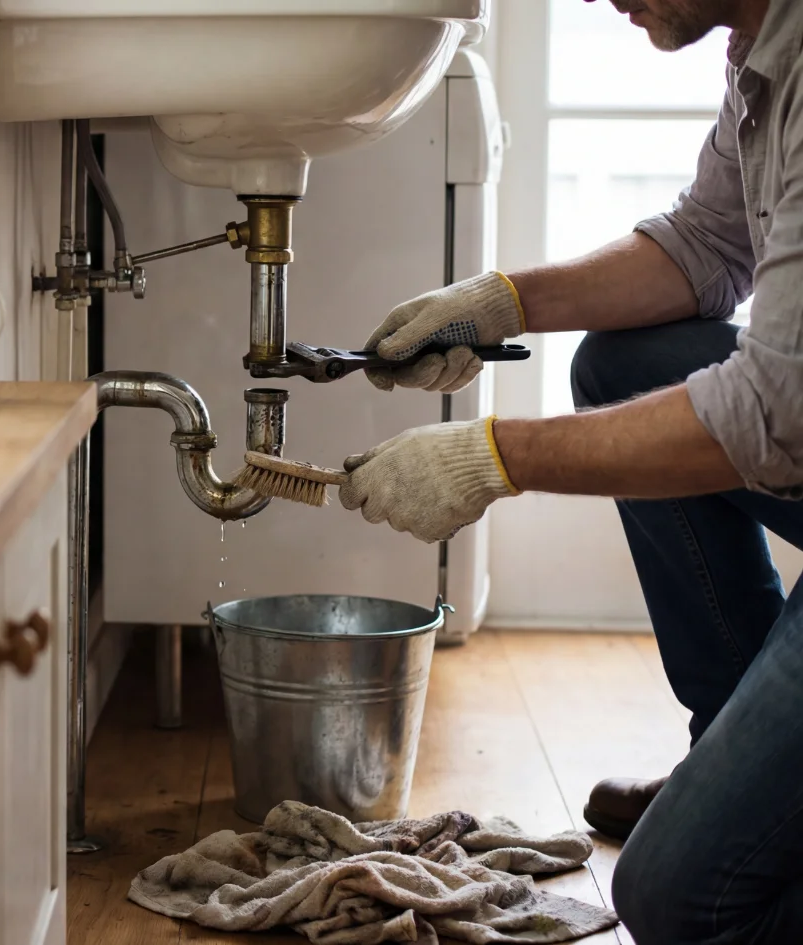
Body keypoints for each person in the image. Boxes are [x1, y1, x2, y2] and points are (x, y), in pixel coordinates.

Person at [344, 0, 803, 940]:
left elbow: (775, 411)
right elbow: (708, 244)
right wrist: (501, 302)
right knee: (621, 363)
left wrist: (492, 457)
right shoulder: (767, 47)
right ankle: (731, 748)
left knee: (676, 898)